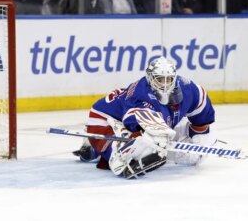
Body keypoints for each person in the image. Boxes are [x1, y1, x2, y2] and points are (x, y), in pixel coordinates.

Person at [73, 57, 216, 179]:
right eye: (160, 80)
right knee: (137, 151)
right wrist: (153, 141)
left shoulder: (190, 90)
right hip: (104, 118)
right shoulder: (140, 94)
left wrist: (199, 139)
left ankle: (97, 148)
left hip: (140, 119)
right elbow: (134, 123)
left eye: (168, 79)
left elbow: (202, 115)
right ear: (150, 78)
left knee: (195, 152)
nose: (165, 84)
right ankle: (96, 148)